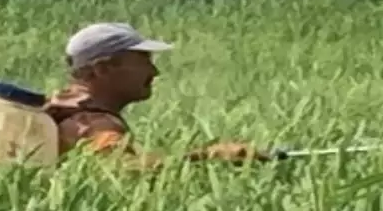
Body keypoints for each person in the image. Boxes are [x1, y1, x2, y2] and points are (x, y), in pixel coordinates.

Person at [42, 22, 277, 167]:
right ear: (103, 68)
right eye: (143, 60)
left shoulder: (65, 107)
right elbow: (124, 169)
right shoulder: (92, 122)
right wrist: (210, 156)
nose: (154, 71)